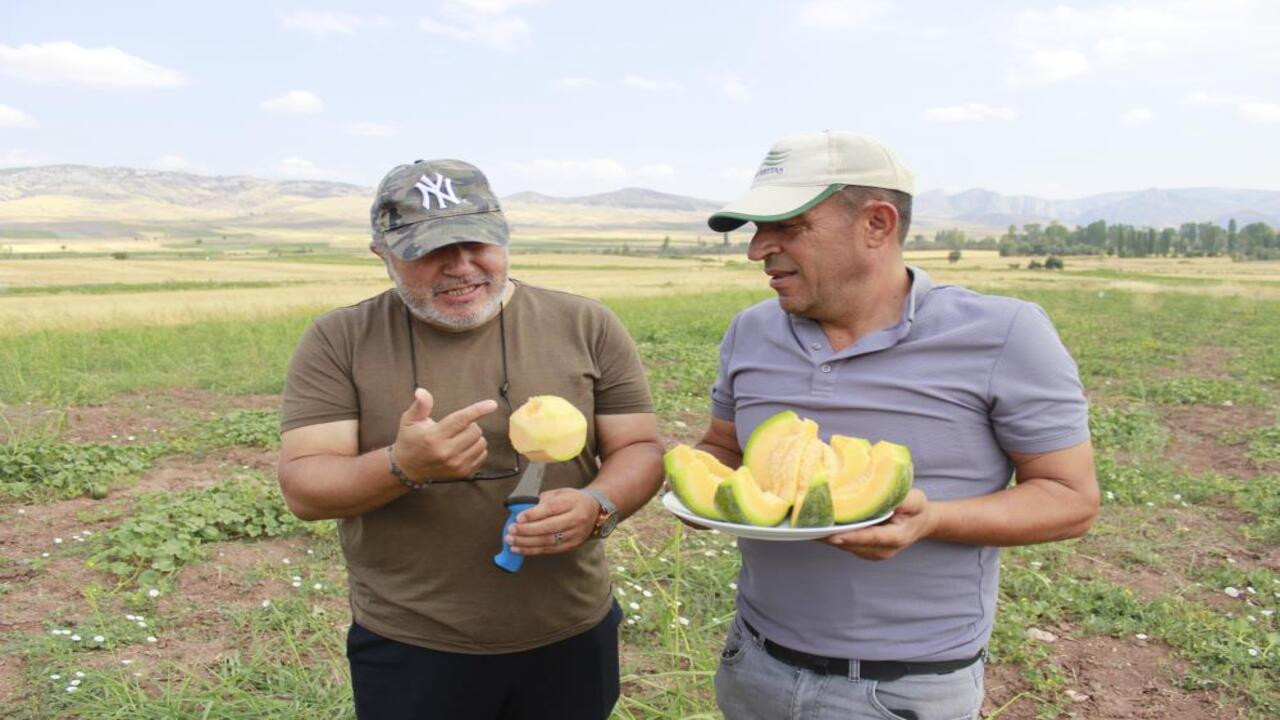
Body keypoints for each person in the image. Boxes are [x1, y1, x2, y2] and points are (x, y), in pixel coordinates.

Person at [696, 132, 1099, 720]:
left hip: (905, 690)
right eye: (756, 229)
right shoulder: (750, 331)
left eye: (788, 226)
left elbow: (1072, 501)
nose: (758, 249)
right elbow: (720, 447)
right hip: (753, 664)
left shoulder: (1005, 333)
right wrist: (697, 487)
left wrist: (932, 520)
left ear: (877, 225)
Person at [276, 158, 664, 720]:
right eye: (430, 249)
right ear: (382, 254)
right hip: (412, 642)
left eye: (477, 242)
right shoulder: (340, 339)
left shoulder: (587, 323)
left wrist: (598, 505)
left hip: (570, 630)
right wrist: (402, 466)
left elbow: (639, 447)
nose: (460, 266)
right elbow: (305, 488)